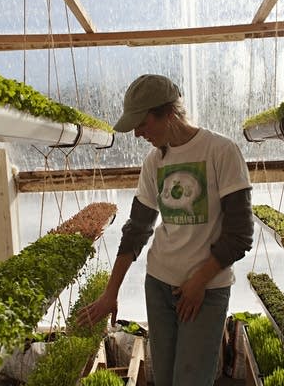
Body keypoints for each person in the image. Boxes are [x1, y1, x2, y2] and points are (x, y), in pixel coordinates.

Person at [77, 74, 254, 386]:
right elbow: (137, 229)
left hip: (207, 289)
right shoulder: (154, 162)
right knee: (165, 379)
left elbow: (240, 234)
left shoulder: (221, 152)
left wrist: (199, 281)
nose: (137, 133)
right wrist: (110, 292)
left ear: (168, 113)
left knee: (192, 379)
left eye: (142, 124)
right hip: (159, 285)